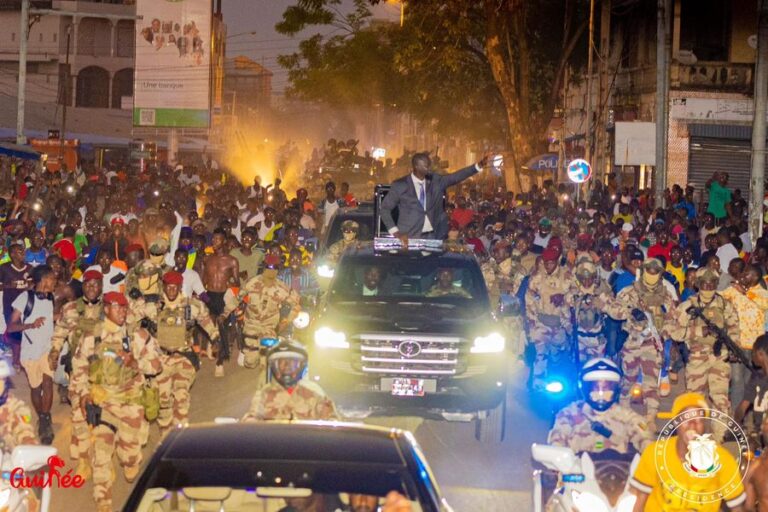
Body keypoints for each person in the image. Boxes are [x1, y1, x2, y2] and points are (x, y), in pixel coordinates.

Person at [69, 291, 163, 512]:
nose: (122, 311)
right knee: (101, 456)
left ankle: (130, 460)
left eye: (124, 307)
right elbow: (79, 368)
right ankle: (103, 503)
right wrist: (83, 394)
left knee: (130, 460)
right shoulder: (92, 337)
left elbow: (158, 365)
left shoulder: (137, 336)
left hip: (131, 404)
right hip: (104, 403)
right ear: (106, 309)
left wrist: (136, 363)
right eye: (116, 307)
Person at [129, 271, 218, 436]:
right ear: (163, 286)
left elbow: (206, 321)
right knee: (164, 403)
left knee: (181, 397)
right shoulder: (153, 306)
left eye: (174, 287)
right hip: (160, 359)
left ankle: (179, 437)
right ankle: (166, 436)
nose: (171, 290)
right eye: (168, 287)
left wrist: (215, 339)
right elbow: (129, 318)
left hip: (183, 357)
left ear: (179, 287)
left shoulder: (191, 306)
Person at [629, 392, 746, 512]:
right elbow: (639, 503)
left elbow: (737, 508)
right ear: (676, 422)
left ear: (704, 425)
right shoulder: (655, 453)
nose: (692, 425)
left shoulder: (722, 460)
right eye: (686, 418)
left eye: (698, 420)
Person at [664, 268, 740, 441]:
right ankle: (691, 435)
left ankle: (718, 438)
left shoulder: (724, 304)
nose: (708, 287)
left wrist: (733, 348)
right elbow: (671, 330)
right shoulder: (688, 306)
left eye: (711, 284)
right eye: (704, 284)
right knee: (694, 399)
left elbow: (734, 328)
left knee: (720, 399)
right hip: (697, 357)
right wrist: (698, 331)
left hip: (720, 356)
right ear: (698, 285)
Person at [603, 258, 678, 430]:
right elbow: (614, 311)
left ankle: (650, 416)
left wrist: (663, 334)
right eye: (649, 272)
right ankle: (623, 412)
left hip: (652, 343)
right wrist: (631, 312)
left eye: (655, 273)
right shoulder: (629, 291)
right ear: (643, 271)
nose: (652, 276)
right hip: (632, 341)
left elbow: (673, 320)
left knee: (651, 382)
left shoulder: (665, 295)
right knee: (628, 379)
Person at [48, 268, 103, 476]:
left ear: (101, 287)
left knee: (102, 417)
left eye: (95, 284)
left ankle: (102, 457)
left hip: (104, 373)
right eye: (87, 284)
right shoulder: (71, 308)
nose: (91, 288)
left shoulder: (110, 309)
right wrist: (54, 351)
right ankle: (82, 459)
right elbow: (60, 332)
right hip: (79, 373)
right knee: (79, 415)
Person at [380, 152, 490, 246]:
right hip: (409, 237)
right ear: (416, 167)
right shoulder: (400, 185)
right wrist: (396, 233)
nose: (428, 168)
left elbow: (456, 176)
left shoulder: (436, 181)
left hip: (433, 237)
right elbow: (385, 209)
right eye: (425, 166)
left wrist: (479, 165)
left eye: (429, 165)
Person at [548, 358, 652, 454]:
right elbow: (556, 444)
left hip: (618, 471)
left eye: (607, 389)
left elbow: (646, 439)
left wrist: (652, 455)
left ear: (616, 390)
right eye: (595, 389)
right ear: (585, 389)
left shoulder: (627, 416)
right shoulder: (568, 415)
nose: (601, 394)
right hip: (576, 471)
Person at [223, 254, 300, 369]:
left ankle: (267, 352)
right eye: (268, 267)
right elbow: (236, 300)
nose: (271, 270)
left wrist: (285, 321)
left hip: (269, 328)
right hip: (251, 326)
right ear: (264, 267)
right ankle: (249, 351)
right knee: (249, 363)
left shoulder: (282, 288)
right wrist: (224, 314)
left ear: (278, 269)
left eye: (274, 267)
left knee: (266, 363)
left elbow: (296, 306)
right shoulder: (252, 282)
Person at [7, 265, 56, 445]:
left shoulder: (51, 297)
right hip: (30, 351)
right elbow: (11, 327)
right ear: (43, 280)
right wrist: (30, 325)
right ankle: (42, 415)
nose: (54, 281)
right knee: (36, 388)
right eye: (52, 278)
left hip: (47, 348)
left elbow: (51, 318)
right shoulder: (25, 298)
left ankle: (45, 420)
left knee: (48, 382)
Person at [242, 339, 338, 421]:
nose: (287, 367)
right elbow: (250, 426)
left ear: (301, 366)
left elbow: (334, 428)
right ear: (274, 367)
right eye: (281, 363)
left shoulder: (315, 394)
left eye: (292, 363)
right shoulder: (264, 395)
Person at [525, 247, 573, 389]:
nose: (548, 266)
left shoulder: (567, 276)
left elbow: (577, 295)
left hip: (561, 324)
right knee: (540, 355)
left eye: (551, 263)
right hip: (542, 322)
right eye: (546, 263)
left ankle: (559, 383)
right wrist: (532, 324)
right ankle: (538, 385)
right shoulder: (537, 278)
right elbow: (529, 301)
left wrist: (564, 298)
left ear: (557, 261)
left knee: (557, 356)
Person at [721, 264, 768, 409]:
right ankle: (735, 416)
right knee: (736, 380)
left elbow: (764, 304)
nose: (742, 276)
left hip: (755, 348)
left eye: (746, 274)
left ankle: (745, 413)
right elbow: (718, 297)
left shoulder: (762, 293)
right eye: (743, 273)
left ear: (755, 277)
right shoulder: (733, 290)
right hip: (737, 344)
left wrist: (745, 292)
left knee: (750, 383)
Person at [201, 228, 240, 377]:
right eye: (213, 239)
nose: (214, 242)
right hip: (210, 294)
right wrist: (201, 295)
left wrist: (232, 285)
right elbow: (204, 279)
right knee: (210, 324)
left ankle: (220, 362)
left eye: (217, 239)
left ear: (224, 241)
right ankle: (214, 342)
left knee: (222, 324)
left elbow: (236, 282)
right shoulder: (208, 259)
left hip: (224, 295)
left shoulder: (232, 261)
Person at [567, 260, 615, 361]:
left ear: (594, 277)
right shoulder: (574, 292)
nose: (587, 282)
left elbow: (614, 310)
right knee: (581, 369)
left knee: (597, 369)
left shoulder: (601, 291)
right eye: (583, 279)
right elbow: (564, 310)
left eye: (589, 279)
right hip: (579, 339)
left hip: (597, 340)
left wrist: (603, 306)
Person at [0, 241, 31, 369]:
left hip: (26, 304)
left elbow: (32, 285)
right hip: (10, 304)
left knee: (24, 330)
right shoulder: (4, 268)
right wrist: (8, 285)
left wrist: (28, 286)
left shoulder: (29, 268)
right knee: (15, 331)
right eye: (19, 251)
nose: (23, 253)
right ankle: (16, 360)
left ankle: (21, 358)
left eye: (23, 251)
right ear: (12, 254)